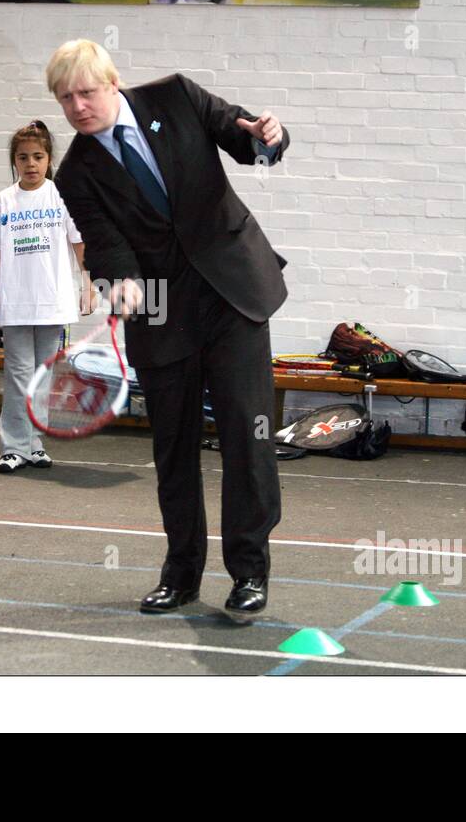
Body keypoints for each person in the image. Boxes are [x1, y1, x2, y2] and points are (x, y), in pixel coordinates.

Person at [46, 39, 290, 622]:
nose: (77, 107)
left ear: (113, 82)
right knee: (173, 448)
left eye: (86, 92)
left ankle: (249, 571)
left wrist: (267, 137)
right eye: (64, 98)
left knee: (245, 434)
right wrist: (121, 283)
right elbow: (104, 242)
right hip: (158, 307)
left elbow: (243, 136)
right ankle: (181, 574)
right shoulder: (75, 172)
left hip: (233, 292)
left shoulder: (176, 97)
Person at [0, 120, 91, 473]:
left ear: (49, 158)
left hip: (52, 301)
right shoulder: (2, 201)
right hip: (15, 302)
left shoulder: (62, 196)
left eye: (37, 156)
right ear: (14, 161)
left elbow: (79, 245)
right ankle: (13, 446)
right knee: (18, 374)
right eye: (23, 157)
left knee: (43, 376)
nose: (30, 164)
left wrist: (89, 285)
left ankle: (34, 444)